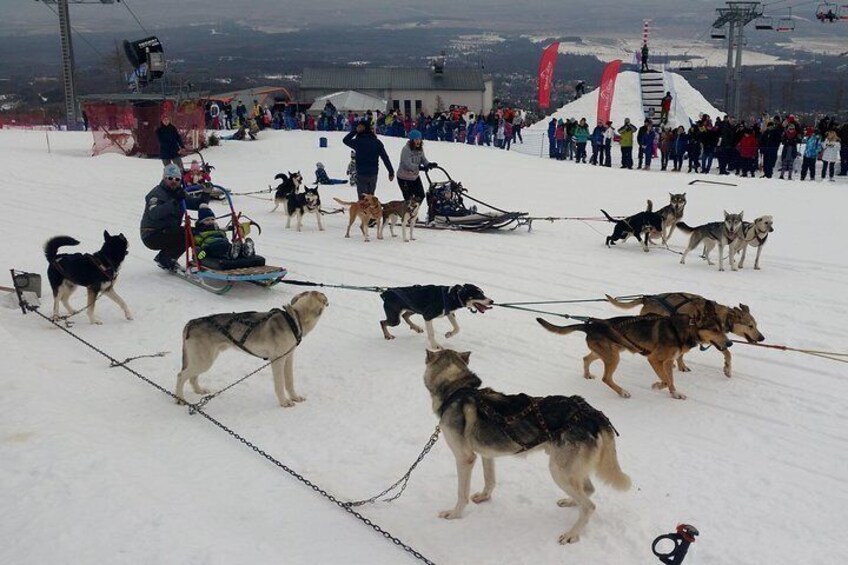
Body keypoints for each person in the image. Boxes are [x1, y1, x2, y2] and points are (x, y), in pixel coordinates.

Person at [140, 164, 201, 270]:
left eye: (177, 179)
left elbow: (195, 204)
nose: (174, 181)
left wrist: (205, 195)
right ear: (164, 178)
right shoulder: (156, 193)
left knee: (193, 232)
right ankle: (166, 258)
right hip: (152, 233)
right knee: (187, 234)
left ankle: (166, 257)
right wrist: (174, 202)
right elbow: (155, 213)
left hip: (168, 230)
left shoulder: (178, 193)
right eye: (170, 178)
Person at [343, 119, 395, 198]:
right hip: (373, 173)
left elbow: (345, 140)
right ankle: (370, 210)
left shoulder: (358, 141)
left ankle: (363, 210)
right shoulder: (377, 142)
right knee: (371, 198)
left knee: (363, 200)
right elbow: (385, 158)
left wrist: (355, 131)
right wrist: (391, 171)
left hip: (361, 173)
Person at [396, 129, 435, 204]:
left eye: (420, 139)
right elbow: (407, 164)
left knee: (421, 195)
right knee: (409, 199)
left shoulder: (419, 149)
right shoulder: (406, 149)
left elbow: (423, 159)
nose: (418, 141)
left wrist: (428, 164)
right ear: (411, 140)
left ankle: (413, 211)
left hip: (414, 177)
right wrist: (419, 168)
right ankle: (408, 212)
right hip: (404, 178)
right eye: (416, 139)